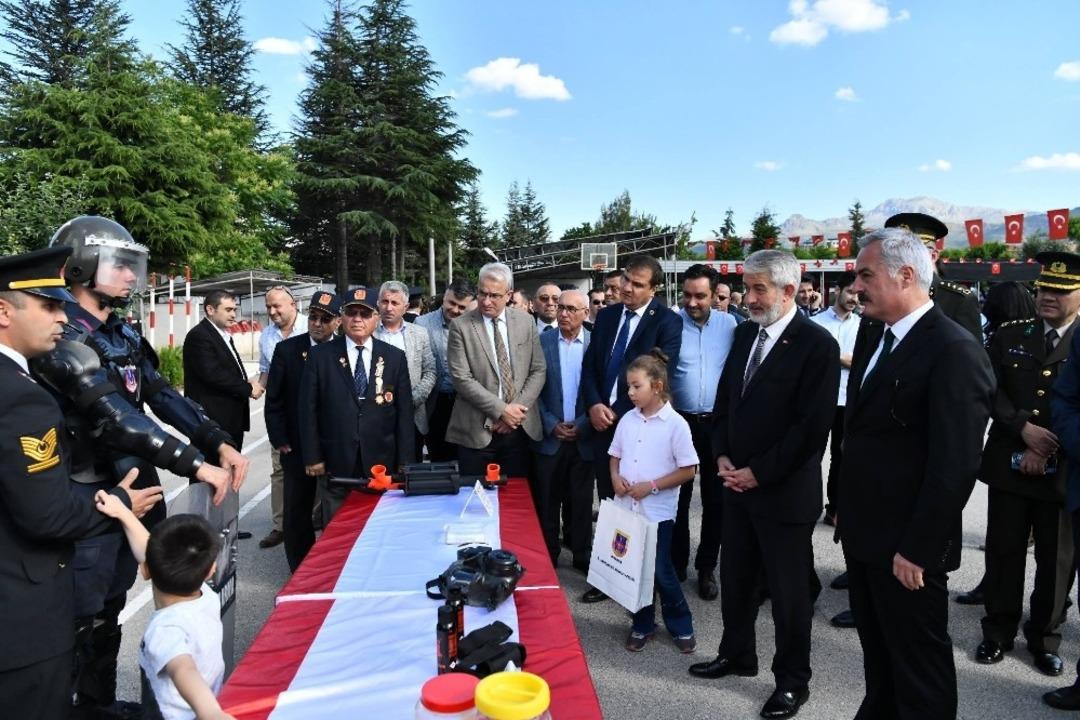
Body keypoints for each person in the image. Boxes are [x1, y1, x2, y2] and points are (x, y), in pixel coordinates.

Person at [41, 216, 240, 718]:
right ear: (82, 266)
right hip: (85, 493)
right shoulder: (61, 332)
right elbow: (119, 420)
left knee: (109, 608)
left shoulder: (120, 330)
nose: (132, 277)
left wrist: (216, 442)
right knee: (77, 617)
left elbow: (159, 394)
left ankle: (97, 704)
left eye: (135, 266)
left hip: (129, 490)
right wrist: (198, 466)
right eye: (120, 265)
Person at [838, 227, 993, 719]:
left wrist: (919, 549)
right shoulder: (873, 334)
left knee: (919, 670)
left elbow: (954, 465)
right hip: (866, 537)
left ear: (906, 275)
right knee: (879, 655)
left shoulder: (953, 350)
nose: (855, 286)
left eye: (866, 275)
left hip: (909, 550)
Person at [0, 246, 149, 720]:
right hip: (22, 621)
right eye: (47, 305)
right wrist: (119, 502)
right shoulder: (24, 399)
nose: (62, 317)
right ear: (4, 311)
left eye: (63, 304)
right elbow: (48, 515)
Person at [689, 250, 838, 720]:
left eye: (759, 290)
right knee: (736, 579)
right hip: (736, 487)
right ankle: (738, 654)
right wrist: (724, 456)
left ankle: (793, 682)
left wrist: (759, 472)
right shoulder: (744, 336)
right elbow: (726, 406)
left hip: (783, 495)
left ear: (788, 291)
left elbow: (811, 430)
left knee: (789, 596)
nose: (748, 298)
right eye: (746, 288)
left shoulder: (817, 345)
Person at [975, 253, 1080, 677]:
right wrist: (1023, 428)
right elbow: (988, 388)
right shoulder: (1009, 334)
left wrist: (1048, 446)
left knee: (1056, 561)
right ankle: (997, 632)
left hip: (1065, 467)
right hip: (1010, 462)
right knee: (1004, 552)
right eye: (1042, 289)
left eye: (1059, 291)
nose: (1047, 297)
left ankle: (1045, 637)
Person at [580, 254, 682, 604]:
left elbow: (656, 377)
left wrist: (617, 412)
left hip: (639, 427)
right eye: (626, 279)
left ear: (654, 289)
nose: (626, 288)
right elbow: (591, 366)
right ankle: (610, 575)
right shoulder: (606, 316)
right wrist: (594, 405)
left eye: (637, 284)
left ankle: (644, 580)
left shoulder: (667, 322)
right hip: (601, 424)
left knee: (640, 507)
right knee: (610, 502)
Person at [94, 496, 232, 720]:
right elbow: (149, 551)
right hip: (210, 701)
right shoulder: (206, 596)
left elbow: (183, 669)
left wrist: (211, 712)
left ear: (144, 570)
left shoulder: (166, 629)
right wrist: (123, 513)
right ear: (211, 570)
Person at [300, 287, 414, 522]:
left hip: (382, 461)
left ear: (376, 317)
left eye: (365, 313)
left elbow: (404, 414)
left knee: (380, 526)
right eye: (351, 313)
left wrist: (405, 462)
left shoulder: (394, 357)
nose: (357, 319)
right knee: (336, 529)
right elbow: (307, 410)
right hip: (336, 459)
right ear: (342, 317)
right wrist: (313, 456)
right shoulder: (320, 356)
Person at [612, 350, 699, 653]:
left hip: (657, 513)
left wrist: (651, 486)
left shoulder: (675, 425)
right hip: (628, 511)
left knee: (661, 570)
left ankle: (681, 623)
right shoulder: (627, 419)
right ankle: (642, 623)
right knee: (635, 568)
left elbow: (689, 469)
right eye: (628, 387)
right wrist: (615, 478)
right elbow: (615, 456)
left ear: (657, 386)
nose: (630, 392)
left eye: (636, 386)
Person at [670, 264, 737, 600]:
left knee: (716, 499)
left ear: (715, 295)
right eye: (687, 295)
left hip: (716, 424)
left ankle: (707, 567)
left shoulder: (731, 325)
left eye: (700, 296)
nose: (692, 302)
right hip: (678, 422)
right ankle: (677, 562)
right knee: (677, 497)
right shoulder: (670, 322)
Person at [446, 263, 546, 478]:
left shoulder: (526, 321)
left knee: (516, 500)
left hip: (520, 429)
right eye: (482, 293)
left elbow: (538, 369)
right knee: (474, 500)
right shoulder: (461, 326)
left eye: (494, 295)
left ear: (508, 294)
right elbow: (461, 378)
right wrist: (501, 410)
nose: (486, 301)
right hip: (476, 432)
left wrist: (515, 413)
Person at [265, 292, 341, 571]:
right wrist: (280, 439)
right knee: (297, 513)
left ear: (337, 322)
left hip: (334, 445)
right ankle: (300, 570)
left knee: (336, 510)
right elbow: (274, 401)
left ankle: (333, 568)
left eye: (325, 319)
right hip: (296, 447)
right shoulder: (287, 350)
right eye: (313, 317)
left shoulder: (345, 350)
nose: (317, 323)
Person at [533, 289, 593, 570]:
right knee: (547, 502)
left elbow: (602, 391)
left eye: (571, 308)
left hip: (583, 437)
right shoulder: (541, 343)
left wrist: (581, 424)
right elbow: (532, 391)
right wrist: (550, 424)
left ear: (586, 313)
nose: (564, 313)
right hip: (550, 437)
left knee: (581, 503)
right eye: (561, 308)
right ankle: (549, 556)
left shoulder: (596, 344)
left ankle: (582, 556)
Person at [256, 286, 307, 550]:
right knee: (280, 469)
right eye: (268, 307)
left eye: (277, 306)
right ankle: (281, 525)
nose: (273, 311)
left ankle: (313, 521)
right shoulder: (266, 336)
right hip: (282, 413)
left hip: (310, 412)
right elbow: (266, 371)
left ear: (293, 304)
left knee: (315, 468)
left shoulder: (312, 328)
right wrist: (257, 387)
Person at [884, 212, 983, 342]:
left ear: (932, 257)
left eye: (910, 253)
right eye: (896, 254)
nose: (902, 260)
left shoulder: (958, 301)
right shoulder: (881, 297)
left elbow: (972, 358)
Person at [184, 290, 263, 450]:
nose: (234, 314)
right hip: (213, 422)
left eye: (234, 309)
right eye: (228, 310)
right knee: (212, 471)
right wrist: (247, 388)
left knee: (231, 471)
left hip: (230, 420)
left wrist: (244, 380)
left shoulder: (222, 334)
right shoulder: (199, 336)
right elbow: (213, 374)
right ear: (210, 310)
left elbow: (225, 369)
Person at [810, 272, 860, 526]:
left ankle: (835, 508)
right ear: (837, 290)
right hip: (820, 399)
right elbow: (812, 361)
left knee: (842, 457)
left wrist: (834, 355)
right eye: (850, 292)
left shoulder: (863, 325)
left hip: (847, 399)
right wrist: (843, 358)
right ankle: (807, 504)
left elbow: (860, 363)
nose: (854, 298)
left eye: (858, 294)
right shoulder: (816, 323)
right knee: (812, 454)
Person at [374, 280, 436, 459]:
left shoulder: (419, 333)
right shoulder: (368, 333)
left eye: (395, 303)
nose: (389, 307)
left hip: (412, 416)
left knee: (410, 470)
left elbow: (430, 371)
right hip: (376, 417)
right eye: (385, 302)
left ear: (406, 306)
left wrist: (411, 400)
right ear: (378, 303)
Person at [415, 280, 474, 462]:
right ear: (444, 297)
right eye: (451, 303)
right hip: (435, 402)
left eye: (462, 307)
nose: (455, 310)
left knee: (466, 458)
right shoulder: (422, 323)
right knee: (439, 456)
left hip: (466, 403)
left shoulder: (474, 325)